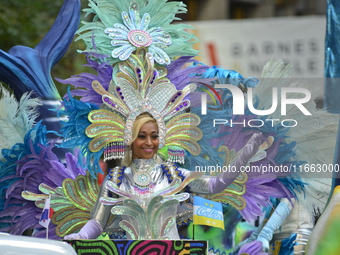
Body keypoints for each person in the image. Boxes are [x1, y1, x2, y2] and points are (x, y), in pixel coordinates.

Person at [64, 112, 264, 240]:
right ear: (130, 139)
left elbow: (215, 185)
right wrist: (81, 235)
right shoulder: (116, 179)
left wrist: (246, 153)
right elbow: (98, 221)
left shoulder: (173, 175)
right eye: (142, 136)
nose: (149, 142)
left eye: (154, 136)